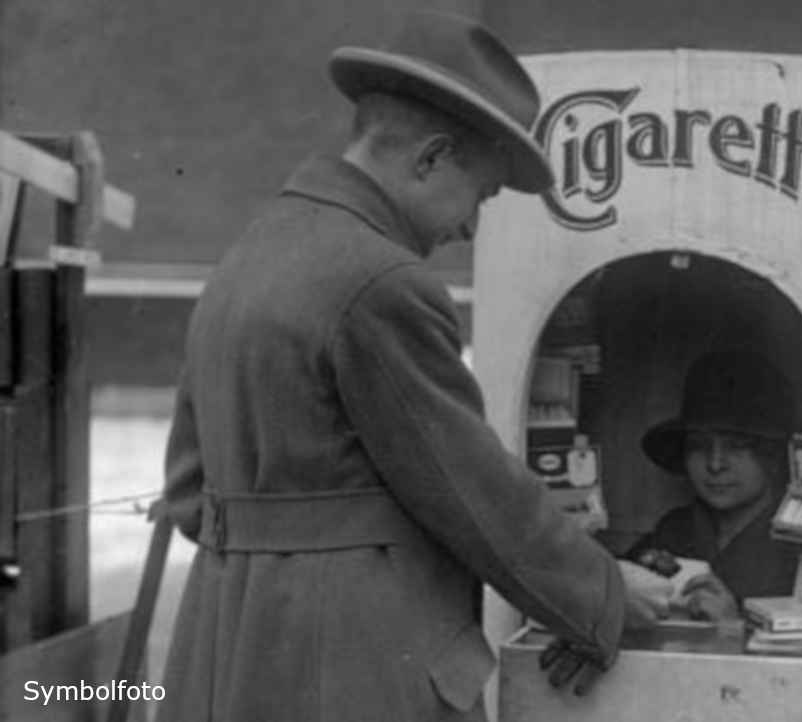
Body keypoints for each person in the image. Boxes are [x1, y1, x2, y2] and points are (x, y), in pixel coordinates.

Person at [156, 13, 664, 721]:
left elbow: (186, 490)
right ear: (429, 159)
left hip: (222, 649)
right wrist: (603, 596)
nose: (468, 229)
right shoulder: (382, 281)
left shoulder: (248, 255)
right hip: (350, 666)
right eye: (480, 197)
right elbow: (473, 494)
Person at [628, 350, 801, 621]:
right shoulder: (673, 531)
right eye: (699, 446)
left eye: (736, 446)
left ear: (773, 457)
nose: (715, 464)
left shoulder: (799, 546)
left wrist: (733, 627)